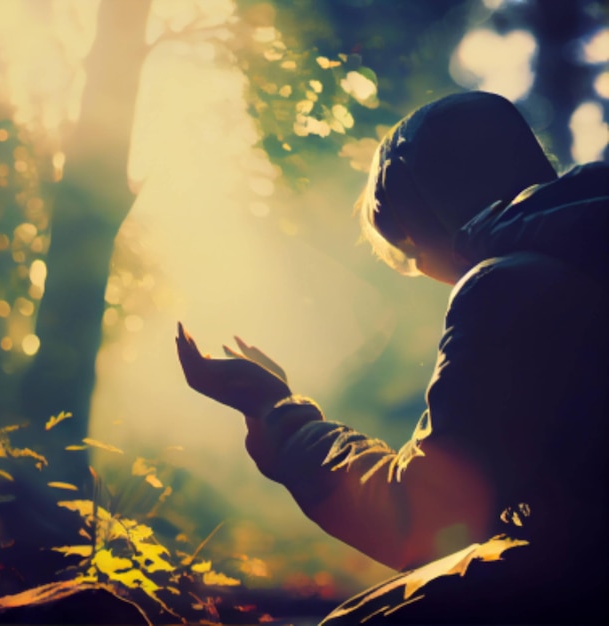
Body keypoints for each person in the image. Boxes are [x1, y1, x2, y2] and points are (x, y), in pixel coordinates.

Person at [176, 91, 608, 623]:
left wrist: (277, 412)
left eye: (407, 249)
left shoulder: (505, 287)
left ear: (430, 214)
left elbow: (420, 521)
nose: (425, 271)